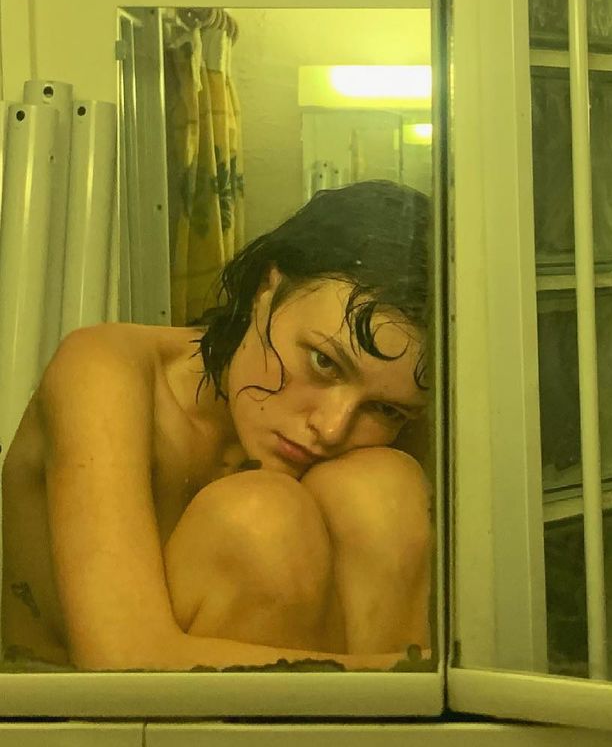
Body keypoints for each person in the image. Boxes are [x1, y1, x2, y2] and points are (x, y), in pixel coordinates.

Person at [1, 180, 432, 672]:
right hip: (64, 705)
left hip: (290, 702)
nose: (332, 429)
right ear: (267, 291)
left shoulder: (380, 432)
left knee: (385, 490)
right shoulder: (106, 370)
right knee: (262, 520)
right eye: (323, 361)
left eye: (384, 409)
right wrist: (410, 679)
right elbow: (123, 661)